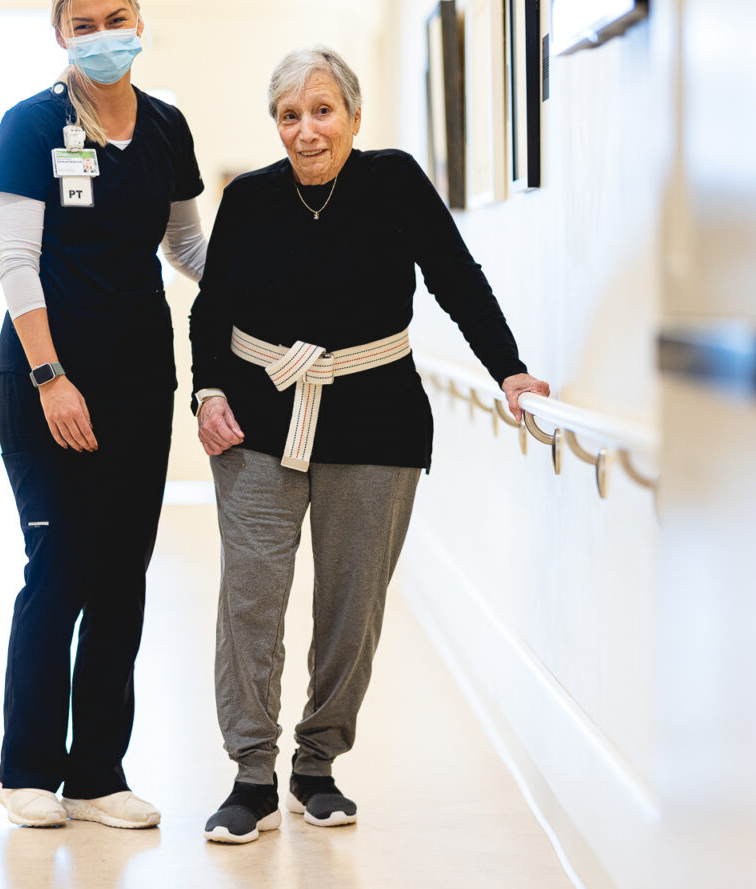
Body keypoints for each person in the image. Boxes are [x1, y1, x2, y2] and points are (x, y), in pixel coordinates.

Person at [189, 46, 550, 844]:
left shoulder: (394, 182)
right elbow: (212, 308)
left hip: (376, 417)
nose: (306, 130)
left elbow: (457, 276)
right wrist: (207, 391)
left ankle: (316, 764)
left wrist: (510, 368)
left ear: (355, 116)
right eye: (289, 115)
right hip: (256, 416)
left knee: (352, 606)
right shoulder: (248, 197)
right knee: (250, 601)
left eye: (322, 111)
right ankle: (251, 772)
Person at [0, 0, 207, 830]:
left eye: (116, 17)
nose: (104, 33)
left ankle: (99, 775)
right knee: (62, 568)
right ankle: (26, 769)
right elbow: (16, 263)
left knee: (123, 575)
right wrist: (50, 376)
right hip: (49, 385)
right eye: (85, 24)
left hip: (139, 382)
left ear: (139, 19)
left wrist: (269, 286)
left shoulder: (165, 128)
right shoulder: (31, 124)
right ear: (61, 36)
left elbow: (188, 249)